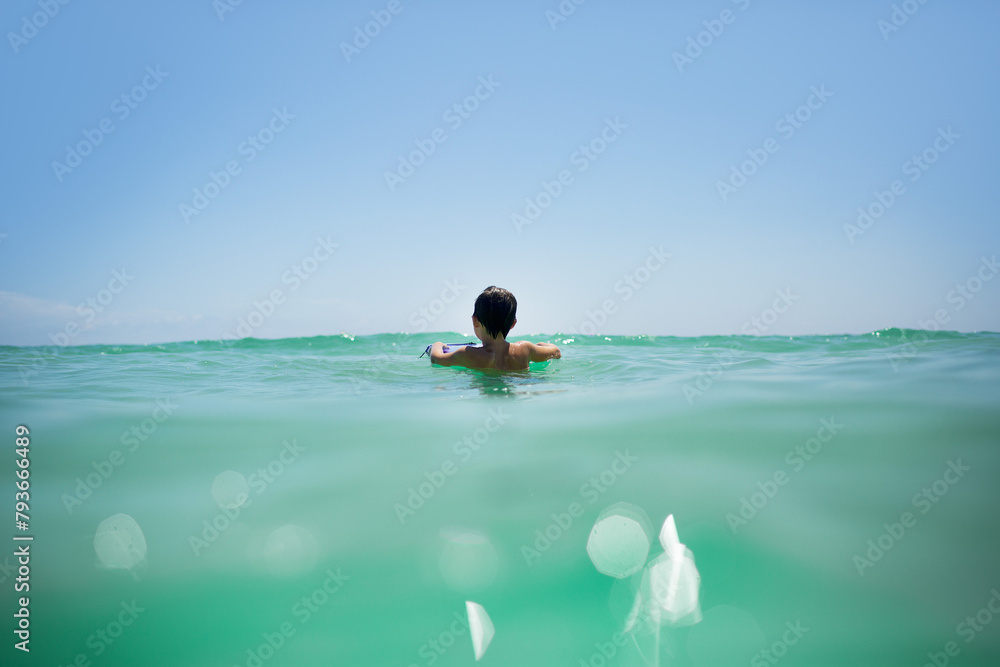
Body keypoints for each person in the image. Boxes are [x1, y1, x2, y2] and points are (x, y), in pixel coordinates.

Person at [429, 286, 561, 371]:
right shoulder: (525, 349)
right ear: (513, 324)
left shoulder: (468, 354)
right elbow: (556, 352)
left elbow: (436, 359)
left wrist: (437, 345)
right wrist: (539, 345)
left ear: (475, 321)